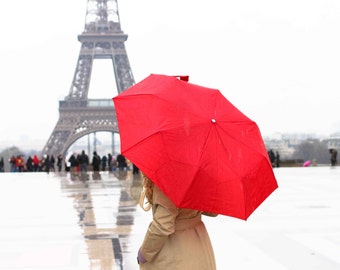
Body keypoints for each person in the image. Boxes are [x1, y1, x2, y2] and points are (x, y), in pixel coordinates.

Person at [137, 173, 217, 269]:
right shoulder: (199, 174)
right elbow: (213, 210)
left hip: (174, 248)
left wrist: (144, 253)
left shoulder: (168, 177)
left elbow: (162, 226)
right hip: (199, 244)